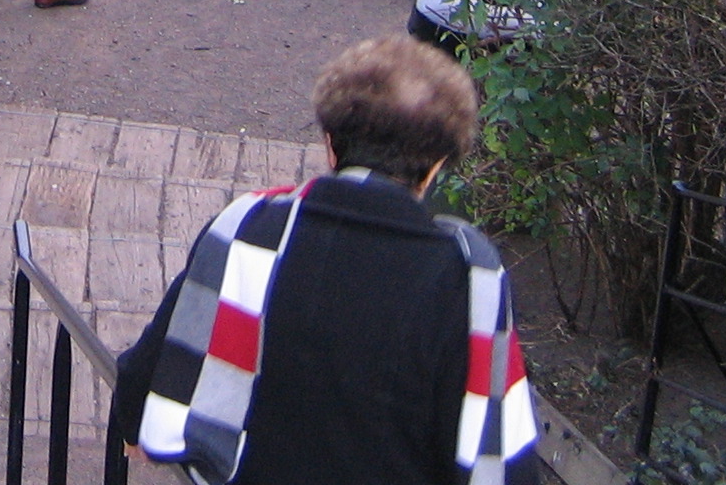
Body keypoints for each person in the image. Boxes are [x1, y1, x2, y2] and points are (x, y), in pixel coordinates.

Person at [109, 35, 540, 485]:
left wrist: (141, 422)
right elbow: (502, 454)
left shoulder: (252, 226)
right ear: (435, 166)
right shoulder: (467, 274)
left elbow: (145, 378)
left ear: (330, 145)